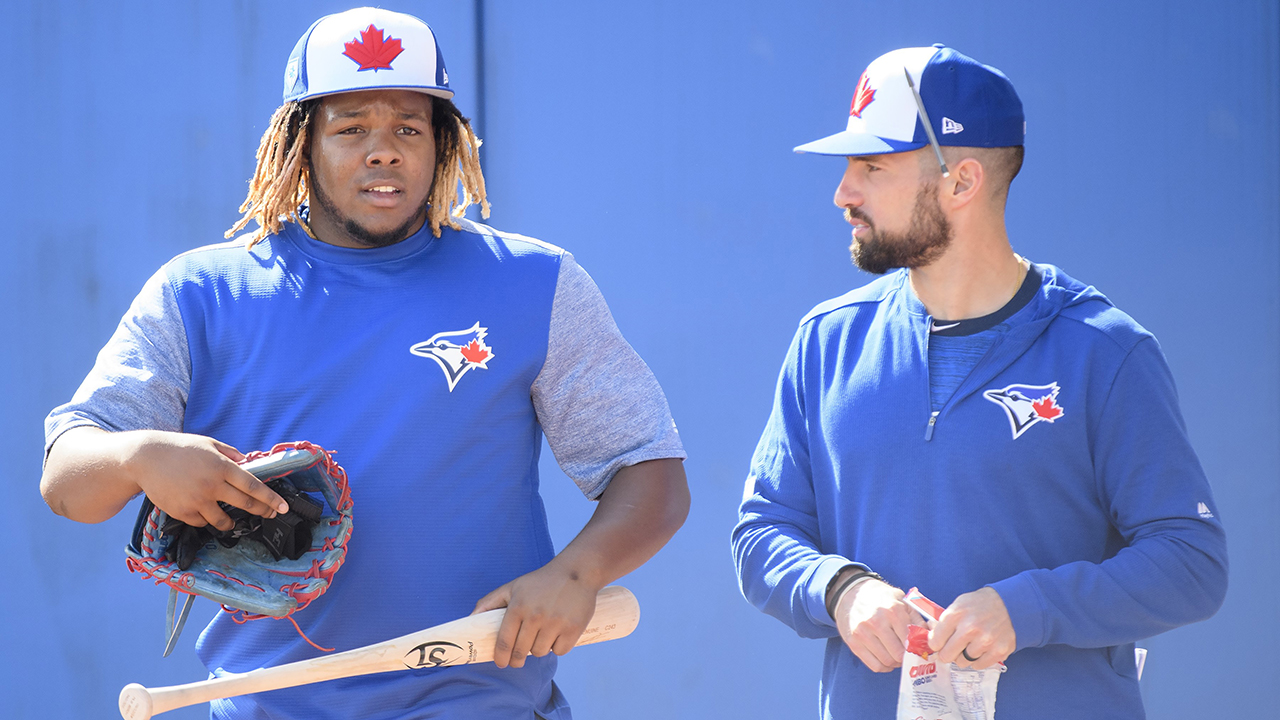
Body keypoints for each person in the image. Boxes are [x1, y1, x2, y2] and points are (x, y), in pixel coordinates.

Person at [40, 8, 689, 719]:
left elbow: (647, 467)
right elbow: (70, 483)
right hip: (265, 707)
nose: (384, 151)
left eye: (409, 128)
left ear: (444, 145)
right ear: (300, 143)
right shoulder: (201, 293)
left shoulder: (533, 283)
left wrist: (578, 570)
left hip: (476, 702)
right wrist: (139, 456)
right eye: (351, 128)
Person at [731, 44, 1227, 719]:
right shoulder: (827, 341)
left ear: (961, 183)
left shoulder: (1104, 350)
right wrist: (838, 587)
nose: (843, 193)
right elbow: (763, 531)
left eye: (872, 167)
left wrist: (1028, 608)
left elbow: (1191, 563)